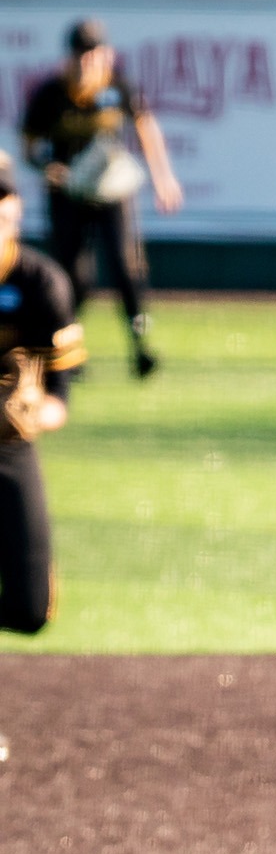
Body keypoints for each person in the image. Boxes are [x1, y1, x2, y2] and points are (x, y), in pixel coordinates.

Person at [19, 17, 181, 380]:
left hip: (111, 191)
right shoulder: (51, 93)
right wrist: (46, 166)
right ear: (70, 57)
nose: (88, 61)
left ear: (106, 55)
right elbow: (29, 146)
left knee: (126, 268)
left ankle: (141, 348)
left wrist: (163, 177)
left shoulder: (116, 87)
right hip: (69, 192)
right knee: (73, 276)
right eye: (81, 54)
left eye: (94, 53)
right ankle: (66, 353)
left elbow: (145, 125)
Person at [0, 152, 87, 635]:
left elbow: (60, 398)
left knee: (31, 611)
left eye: (2, 197)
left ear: (15, 209)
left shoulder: (40, 282)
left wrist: (32, 412)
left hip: (9, 445)